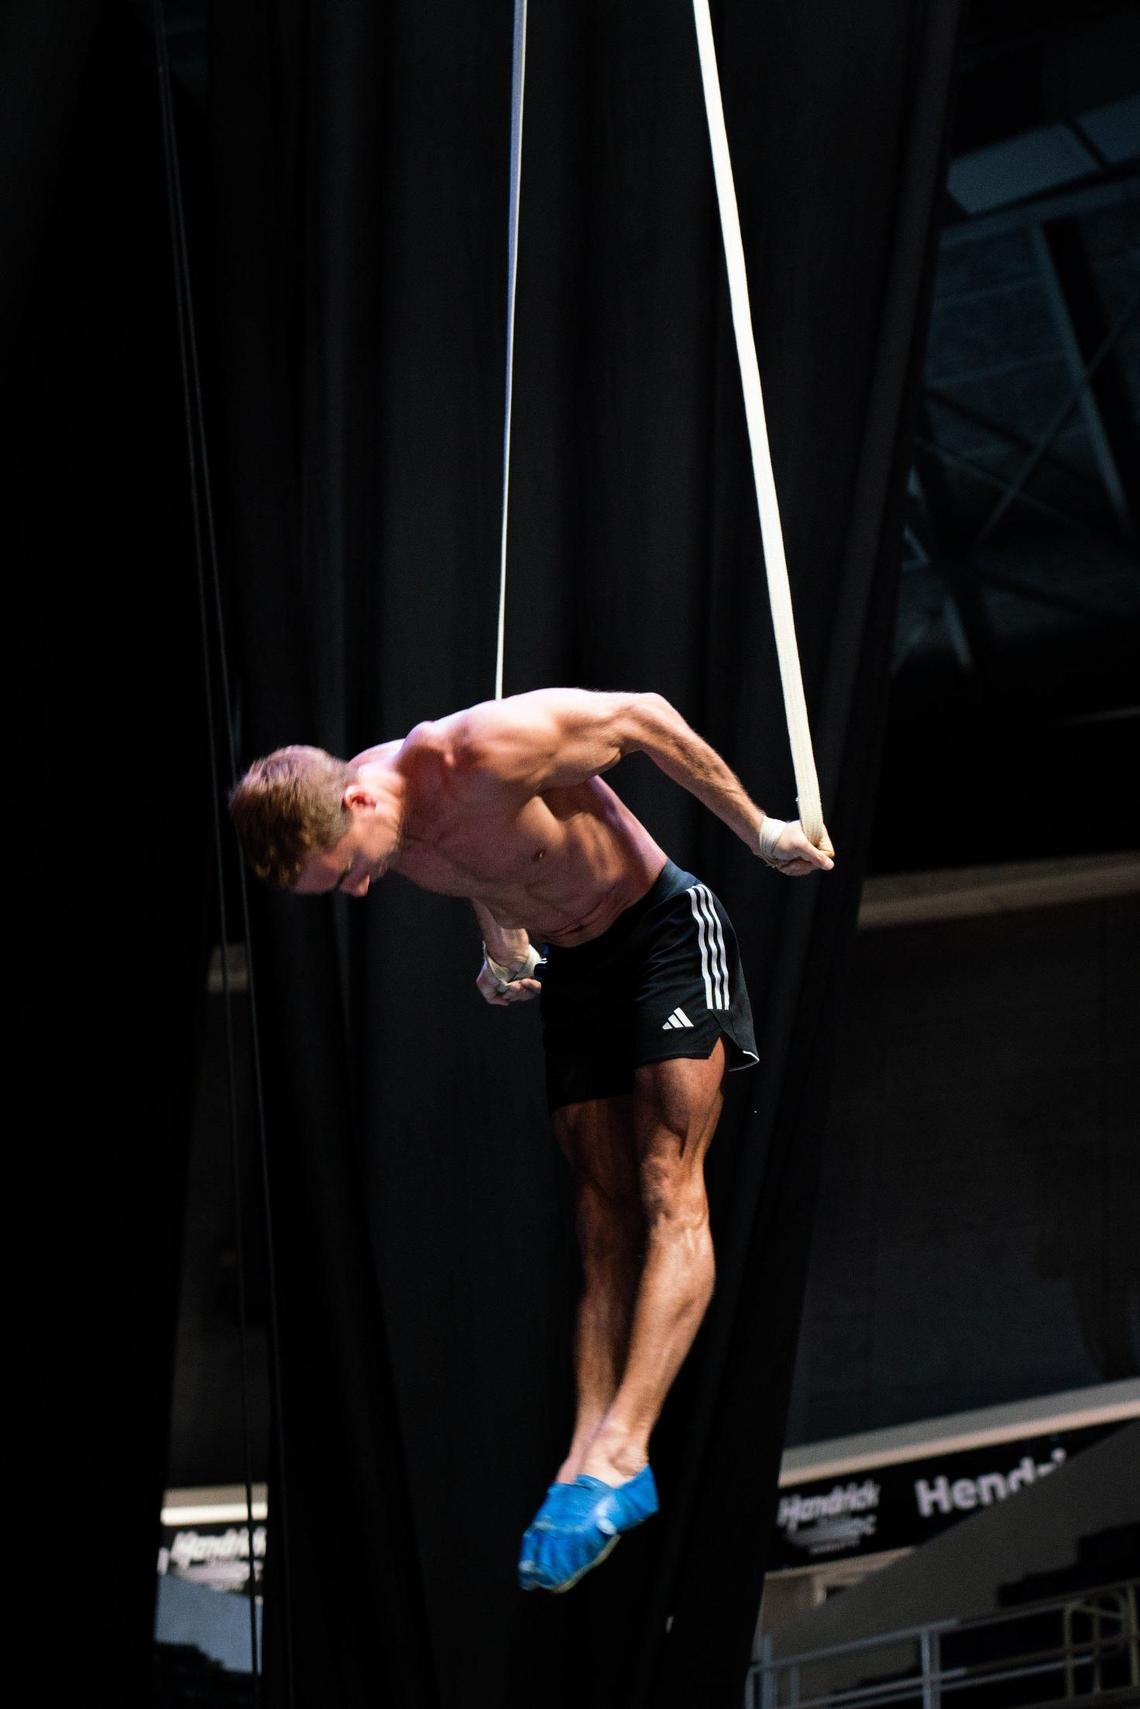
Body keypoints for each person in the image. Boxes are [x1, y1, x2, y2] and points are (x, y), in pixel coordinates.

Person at [229, 687, 834, 1592]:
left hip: (662, 931)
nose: (358, 887)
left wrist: (760, 831)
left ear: (357, 804)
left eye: (347, 870)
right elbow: (484, 871)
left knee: (666, 1180)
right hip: (577, 969)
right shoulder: (374, 815)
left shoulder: (475, 751)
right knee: (599, 1216)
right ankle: (579, 1466)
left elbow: (648, 717)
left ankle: (625, 1452)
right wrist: (506, 946)